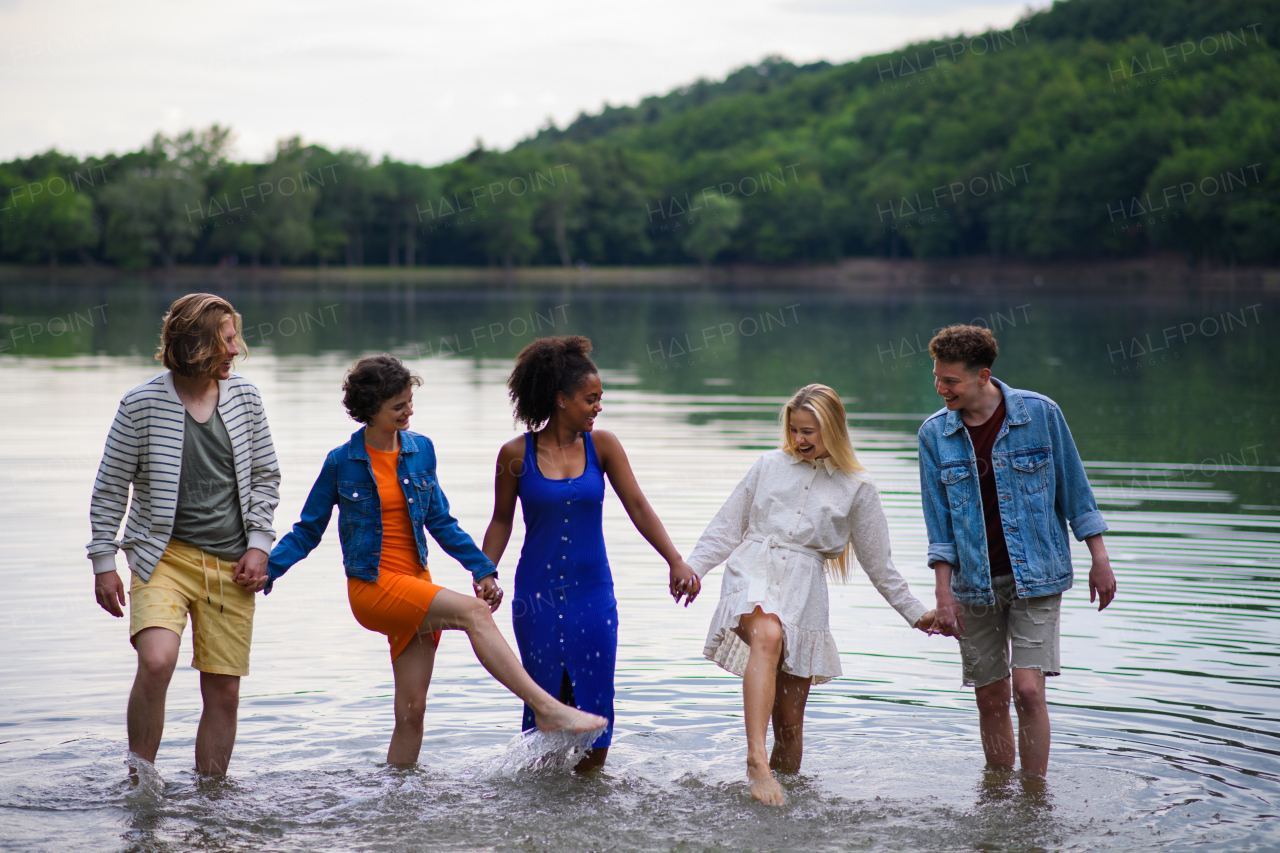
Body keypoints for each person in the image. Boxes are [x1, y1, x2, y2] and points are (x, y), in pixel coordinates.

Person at [266, 355, 604, 766]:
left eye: (410, 401)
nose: (410, 411)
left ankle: (397, 801)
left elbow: (441, 521)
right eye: (399, 406)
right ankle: (545, 708)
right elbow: (308, 529)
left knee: (412, 713)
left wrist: (482, 567)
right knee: (475, 613)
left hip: (416, 585)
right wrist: (269, 568)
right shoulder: (342, 462)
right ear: (370, 410)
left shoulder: (421, 451)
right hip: (374, 587)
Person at [686, 384, 935, 805]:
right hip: (754, 567)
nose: (799, 440)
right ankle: (755, 761)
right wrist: (693, 568)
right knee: (766, 635)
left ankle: (783, 815)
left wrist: (916, 614)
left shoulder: (858, 488)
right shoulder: (768, 465)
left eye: (809, 432)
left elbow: (880, 564)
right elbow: (727, 526)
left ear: (833, 430)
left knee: (790, 727)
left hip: (806, 591)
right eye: (795, 429)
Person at [481, 336, 699, 772]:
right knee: (544, 701)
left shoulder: (604, 447)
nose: (598, 407)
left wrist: (676, 559)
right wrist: (485, 573)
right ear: (561, 399)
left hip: (593, 596)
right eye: (590, 399)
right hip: (535, 599)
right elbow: (501, 520)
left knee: (597, 704)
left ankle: (589, 793)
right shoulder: (514, 455)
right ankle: (542, 799)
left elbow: (638, 505)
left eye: (600, 398)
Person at [88, 293, 280, 775]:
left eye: (235, 339)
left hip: (232, 566)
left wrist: (260, 546)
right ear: (196, 345)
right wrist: (104, 563)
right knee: (156, 662)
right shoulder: (140, 404)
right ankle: (141, 783)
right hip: (163, 559)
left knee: (224, 693)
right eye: (227, 341)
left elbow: (266, 477)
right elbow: (110, 488)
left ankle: (211, 802)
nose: (236, 350)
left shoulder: (247, 398)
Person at [918, 325, 1117, 778]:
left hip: (1039, 576)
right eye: (937, 378)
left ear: (983, 375)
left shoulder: (1041, 415)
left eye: (950, 381)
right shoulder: (934, 435)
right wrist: (943, 595)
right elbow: (940, 525)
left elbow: (1076, 494)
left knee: (1027, 690)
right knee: (990, 697)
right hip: (973, 584)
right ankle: (999, 796)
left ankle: (1033, 794)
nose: (940, 388)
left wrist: (1099, 559)